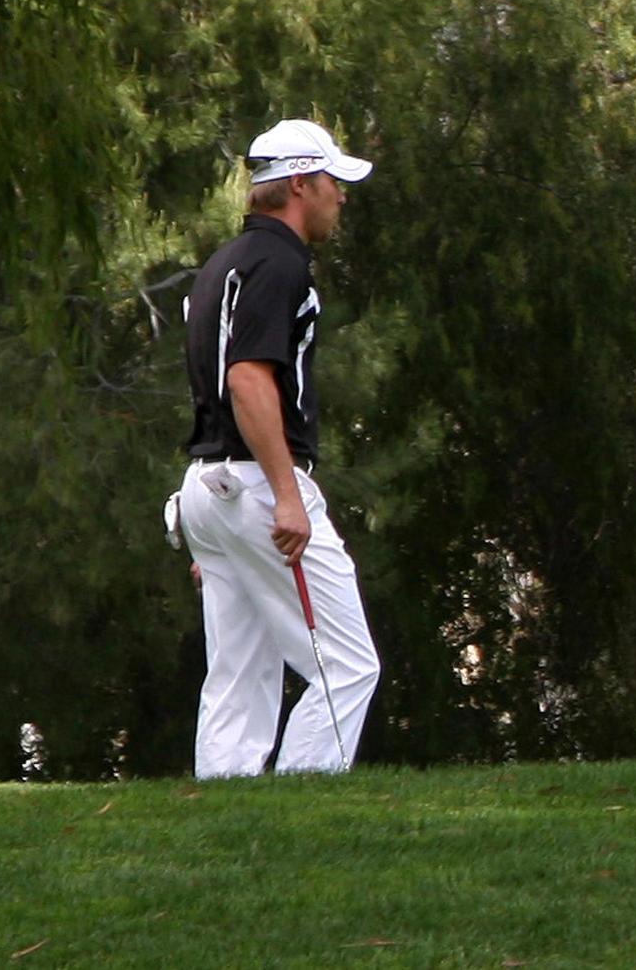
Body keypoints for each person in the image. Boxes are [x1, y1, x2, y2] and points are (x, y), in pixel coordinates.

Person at [175, 119, 381, 778]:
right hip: (260, 487)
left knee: (240, 674)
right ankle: (307, 812)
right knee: (347, 665)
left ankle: (223, 826)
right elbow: (246, 379)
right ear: (299, 183)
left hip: (209, 488)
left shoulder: (222, 264)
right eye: (332, 183)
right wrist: (287, 499)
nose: (340, 197)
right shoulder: (279, 263)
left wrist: (222, 532)